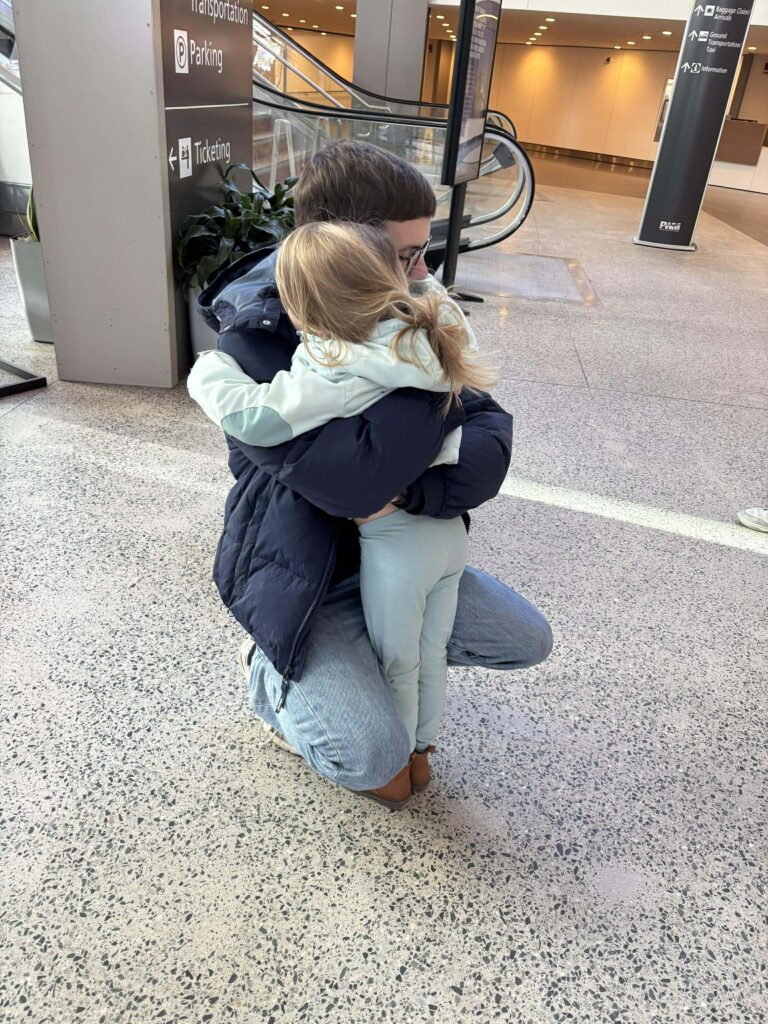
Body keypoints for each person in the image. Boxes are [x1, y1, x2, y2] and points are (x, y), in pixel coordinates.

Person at [193, 140, 553, 809]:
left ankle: (359, 664)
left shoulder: (410, 296)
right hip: (303, 570)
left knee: (525, 640)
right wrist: (441, 393)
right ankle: (273, 679)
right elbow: (352, 482)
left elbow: (493, 434)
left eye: (425, 252)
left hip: (404, 543)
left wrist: (419, 487)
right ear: (339, 246)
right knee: (380, 769)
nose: (423, 275)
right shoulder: (258, 336)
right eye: (406, 254)